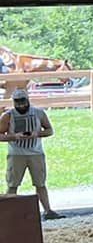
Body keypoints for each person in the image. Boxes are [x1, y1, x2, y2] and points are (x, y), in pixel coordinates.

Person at [4, 89, 59, 219]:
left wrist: (37, 134)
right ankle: (9, 213)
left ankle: (48, 210)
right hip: (16, 154)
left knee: (40, 183)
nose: (21, 105)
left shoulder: (39, 113)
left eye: (23, 102)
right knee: (13, 184)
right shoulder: (8, 116)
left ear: (28, 100)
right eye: (17, 102)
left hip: (36, 153)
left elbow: (50, 130)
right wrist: (15, 136)